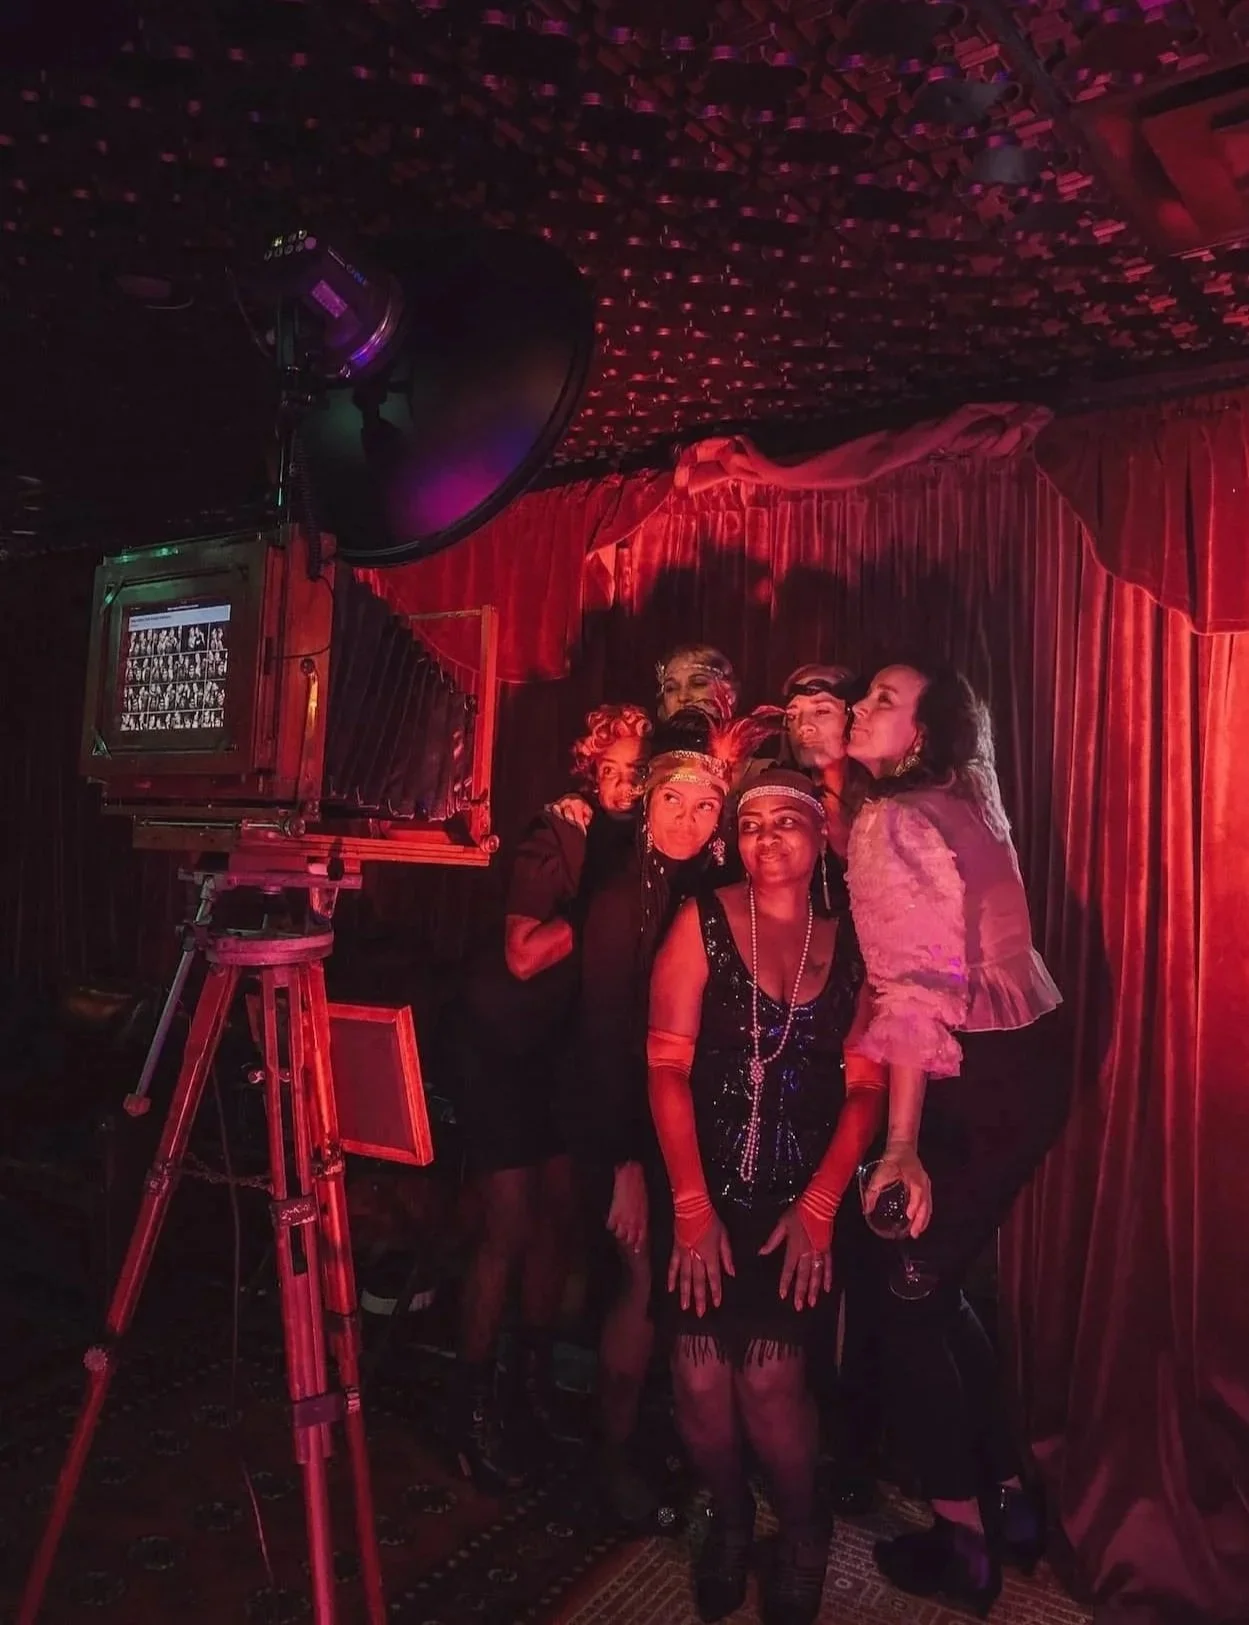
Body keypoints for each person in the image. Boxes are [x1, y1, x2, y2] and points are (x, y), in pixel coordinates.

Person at [844, 662, 1068, 1615]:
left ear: (924, 734)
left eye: (881, 702)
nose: (860, 709)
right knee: (935, 1289)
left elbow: (916, 987)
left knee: (904, 1294)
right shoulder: (965, 798)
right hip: (1028, 1062)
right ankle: (1009, 1501)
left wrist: (898, 1147)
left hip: (976, 1076)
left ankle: (963, 1540)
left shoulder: (893, 819)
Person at [647, 768, 886, 1625]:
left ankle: (803, 1527)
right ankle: (731, 1516)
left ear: (822, 837)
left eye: (790, 819)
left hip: (801, 1202)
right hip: (700, 1193)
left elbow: (867, 1087)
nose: (768, 836)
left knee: (773, 1382)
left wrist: (821, 1208)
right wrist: (687, 1207)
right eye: (752, 822)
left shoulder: (854, 940)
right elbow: (666, 1065)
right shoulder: (699, 919)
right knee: (699, 1379)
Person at [561, 706, 772, 1527]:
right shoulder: (619, 901)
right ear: (644, 806)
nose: (688, 818)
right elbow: (607, 1038)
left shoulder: (704, 888)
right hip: (622, 1128)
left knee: (679, 1293)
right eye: (673, 802)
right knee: (642, 1286)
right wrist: (622, 1166)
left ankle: (662, 1438)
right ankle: (610, 1461)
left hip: (685, 1119)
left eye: (704, 805)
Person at [448, 703, 650, 1488]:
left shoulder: (644, 842)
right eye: (615, 769)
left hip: (562, 1052)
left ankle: (526, 1386)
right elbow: (524, 956)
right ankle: (468, 1409)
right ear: (589, 769)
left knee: (561, 1218)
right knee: (509, 1224)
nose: (628, 784)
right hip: (500, 1047)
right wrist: (604, 906)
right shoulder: (555, 832)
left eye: (640, 771)